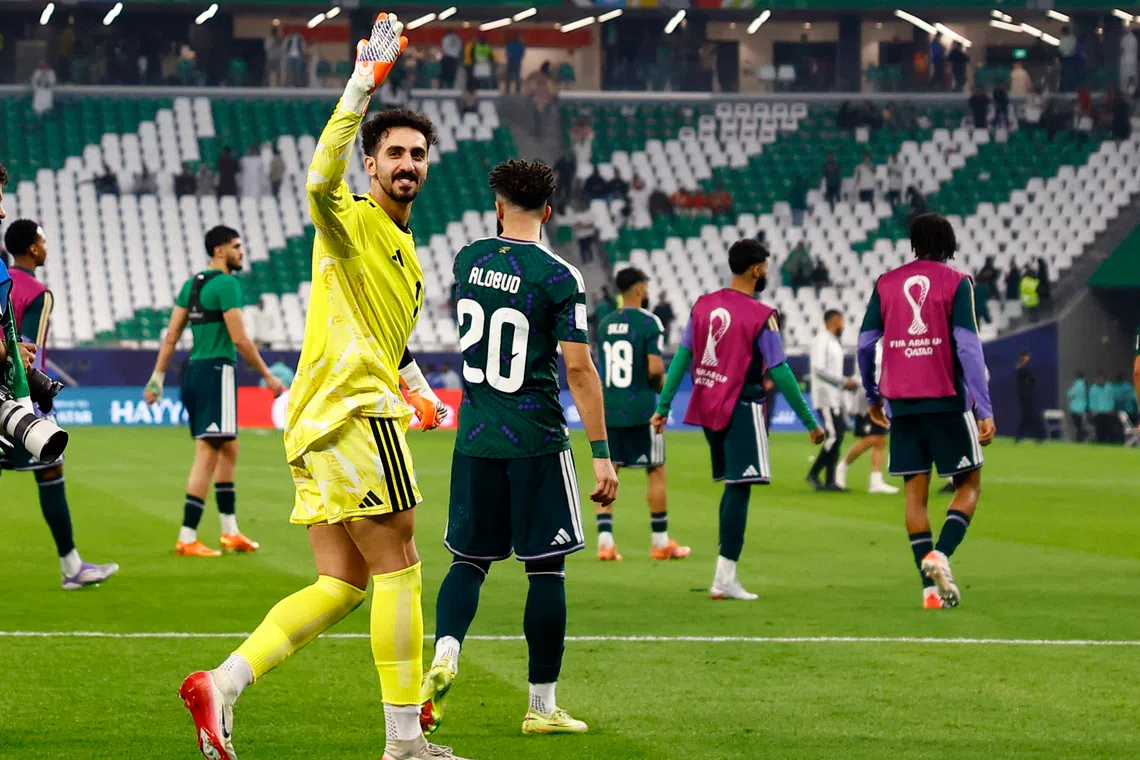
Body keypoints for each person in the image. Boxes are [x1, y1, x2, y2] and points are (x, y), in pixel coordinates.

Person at [176, 20, 466, 760]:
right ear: (370, 164)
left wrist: (422, 390)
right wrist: (362, 83)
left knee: (342, 582)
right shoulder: (351, 222)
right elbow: (316, 180)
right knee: (400, 561)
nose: (407, 163)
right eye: (394, 153)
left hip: (317, 419)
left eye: (417, 155)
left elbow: (390, 340)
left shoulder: (407, 255)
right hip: (352, 412)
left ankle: (224, 683)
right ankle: (404, 742)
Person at [421, 159, 616, 738]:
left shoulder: (468, 259)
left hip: (477, 434)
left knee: (468, 561)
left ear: (498, 205)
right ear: (550, 212)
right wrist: (601, 453)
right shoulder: (560, 276)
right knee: (546, 572)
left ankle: (448, 650)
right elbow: (578, 369)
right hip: (535, 438)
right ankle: (541, 705)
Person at [651, 240, 824, 600]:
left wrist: (664, 406)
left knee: (733, 486)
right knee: (739, 488)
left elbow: (682, 357)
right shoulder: (762, 315)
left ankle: (724, 577)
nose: (767, 271)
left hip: (709, 406)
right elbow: (780, 370)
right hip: (742, 406)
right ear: (756, 269)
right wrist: (810, 420)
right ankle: (725, 579)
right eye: (766, 265)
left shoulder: (702, 305)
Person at [856, 213, 995, 610]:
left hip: (902, 403)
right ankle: (942, 554)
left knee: (914, 498)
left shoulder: (886, 283)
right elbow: (968, 346)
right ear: (948, 243)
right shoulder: (957, 282)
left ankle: (930, 592)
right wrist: (983, 407)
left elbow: (866, 344)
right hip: (947, 399)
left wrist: (872, 393)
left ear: (914, 242)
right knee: (968, 484)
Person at [145, 224, 284, 556]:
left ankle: (230, 531)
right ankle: (187, 536)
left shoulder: (191, 286)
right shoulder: (227, 285)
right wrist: (268, 376)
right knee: (207, 454)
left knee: (229, 448)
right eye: (237, 246)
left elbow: (171, 336)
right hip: (217, 371)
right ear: (219, 251)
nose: (241, 252)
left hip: (193, 372)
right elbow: (239, 339)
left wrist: (157, 377)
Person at [0, 215, 120, 590]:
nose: (46, 247)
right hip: (19, 399)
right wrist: (38, 402)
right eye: (44, 241)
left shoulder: (4, 276)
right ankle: (72, 567)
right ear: (34, 248)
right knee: (51, 472)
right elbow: (27, 352)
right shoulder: (37, 292)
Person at [595, 268, 689, 562]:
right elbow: (654, 369)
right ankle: (660, 541)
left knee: (609, 474)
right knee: (656, 469)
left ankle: (605, 543)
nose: (647, 290)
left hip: (609, 410)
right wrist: (663, 390)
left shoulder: (605, 324)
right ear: (637, 289)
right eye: (645, 285)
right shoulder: (650, 323)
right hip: (643, 410)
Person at [837, 340, 899, 495]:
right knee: (871, 439)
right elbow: (865, 375)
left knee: (880, 439)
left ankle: (876, 480)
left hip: (881, 399)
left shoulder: (886, 349)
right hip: (868, 400)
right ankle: (843, 466)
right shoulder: (873, 349)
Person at [806, 309, 858, 490]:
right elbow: (818, 368)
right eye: (842, 322)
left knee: (839, 435)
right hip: (824, 396)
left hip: (834, 397)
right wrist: (843, 382)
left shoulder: (834, 342)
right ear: (834, 321)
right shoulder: (822, 340)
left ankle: (830, 481)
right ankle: (813, 473)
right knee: (834, 435)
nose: (843, 326)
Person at [1014, 350, 1043, 443]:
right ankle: (1037, 437)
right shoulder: (1022, 369)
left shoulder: (1022, 368)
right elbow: (1030, 381)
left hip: (1027, 396)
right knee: (1030, 416)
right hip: (1027, 397)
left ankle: (1020, 437)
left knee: (1027, 417)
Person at [1089, 371, 1119, 443]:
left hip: (1108, 412)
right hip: (1098, 412)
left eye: (1102, 379)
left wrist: (1112, 408)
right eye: (1099, 379)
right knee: (1099, 430)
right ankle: (1101, 442)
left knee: (1110, 429)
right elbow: (1092, 400)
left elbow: (1112, 398)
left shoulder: (1109, 387)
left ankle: (1111, 443)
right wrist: (1093, 409)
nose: (1100, 380)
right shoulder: (1093, 388)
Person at [1067, 370, 1089, 441]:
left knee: (1078, 426)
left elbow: (1070, 394)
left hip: (1076, 408)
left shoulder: (1077, 384)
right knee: (1081, 424)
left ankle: (1080, 438)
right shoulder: (1085, 384)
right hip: (1083, 407)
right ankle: (1082, 436)